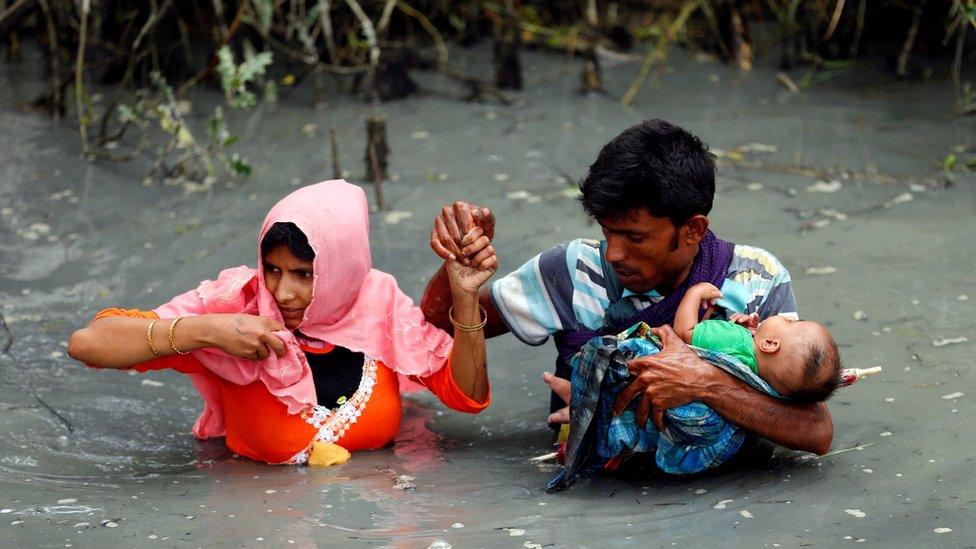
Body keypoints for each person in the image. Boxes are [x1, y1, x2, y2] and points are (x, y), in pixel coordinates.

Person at [422, 119, 833, 459]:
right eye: (606, 232)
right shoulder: (571, 270)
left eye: (635, 238)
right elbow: (435, 324)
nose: (615, 253)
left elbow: (814, 431)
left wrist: (704, 382)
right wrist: (458, 271)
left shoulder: (756, 280)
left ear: (693, 229)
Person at [68, 180, 497, 465]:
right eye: (272, 269)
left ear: (341, 271)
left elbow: (468, 398)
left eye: (304, 274)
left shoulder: (378, 305)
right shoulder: (234, 307)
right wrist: (207, 331)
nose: (283, 293)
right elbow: (88, 343)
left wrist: (463, 294)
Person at [674, 282, 842, 402]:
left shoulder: (734, 340)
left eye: (790, 323)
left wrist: (694, 294)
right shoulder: (762, 387)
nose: (787, 318)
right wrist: (751, 333)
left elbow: (684, 332)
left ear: (769, 344)